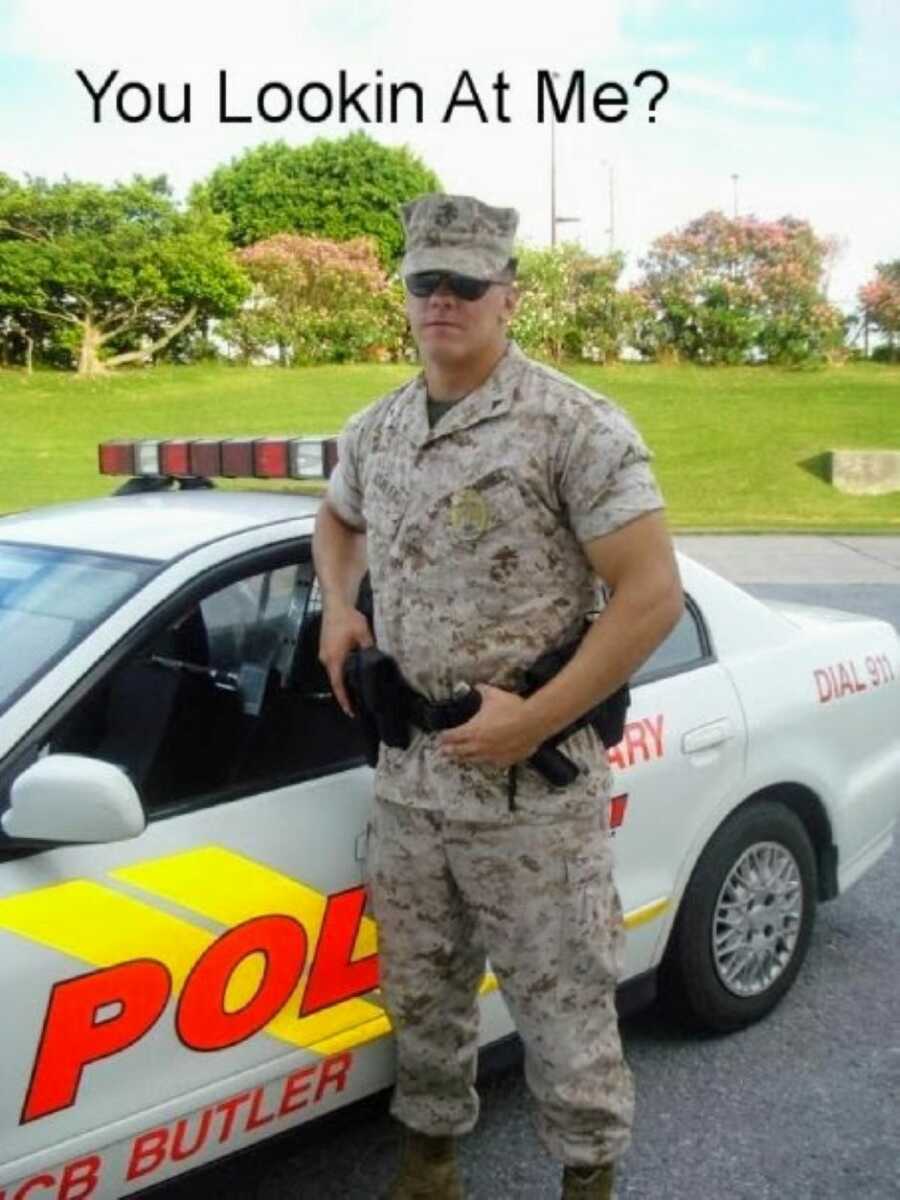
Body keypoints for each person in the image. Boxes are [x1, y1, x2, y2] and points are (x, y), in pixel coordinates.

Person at [313, 194, 683, 1200]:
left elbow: (653, 595)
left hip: (532, 794)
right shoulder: (378, 428)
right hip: (411, 782)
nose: (442, 302)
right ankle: (431, 1165)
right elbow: (335, 518)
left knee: (563, 1005)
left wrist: (540, 715)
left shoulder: (574, 426)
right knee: (421, 997)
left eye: (466, 284)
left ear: (508, 296)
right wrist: (336, 608)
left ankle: (588, 1175)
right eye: (424, 282)